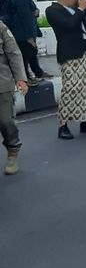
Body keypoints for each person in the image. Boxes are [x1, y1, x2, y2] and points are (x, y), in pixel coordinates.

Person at [45, 0, 86, 140]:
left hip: (84, 52)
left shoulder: (77, 9)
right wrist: (81, 9)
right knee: (71, 89)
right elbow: (69, 25)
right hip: (70, 54)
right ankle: (63, 125)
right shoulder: (53, 10)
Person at [7, 0, 49, 85]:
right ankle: (26, 78)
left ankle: (37, 73)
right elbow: (24, 17)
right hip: (23, 34)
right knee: (25, 56)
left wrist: (35, 12)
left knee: (30, 54)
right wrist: (29, 37)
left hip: (25, 32)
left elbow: (30, 12)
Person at [0, 20, 28, 175]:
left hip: (2, 84)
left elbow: (14, 53)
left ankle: (12, 148)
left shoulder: (1, 27)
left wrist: (20, 79)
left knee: (5, 121)